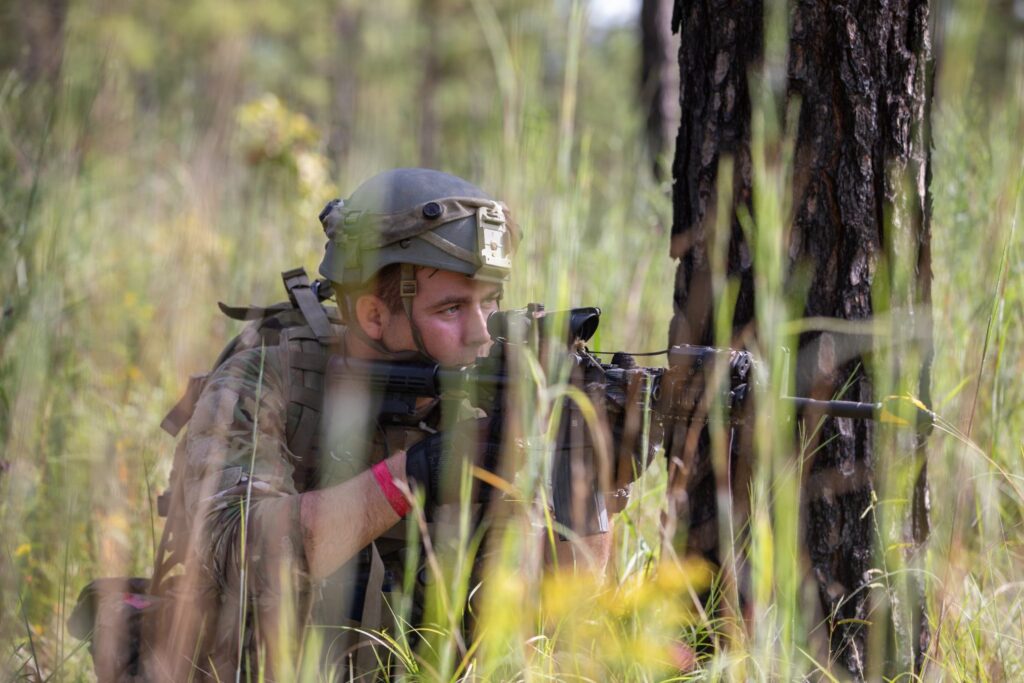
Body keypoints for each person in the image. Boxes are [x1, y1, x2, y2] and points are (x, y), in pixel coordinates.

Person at [143, 168, 539, 681]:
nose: (481, 335)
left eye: (489, 303)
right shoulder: (269, 379)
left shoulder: (487, 396)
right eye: (452, 308)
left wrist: (594, 482)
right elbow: (237, 552)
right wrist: (415, 473)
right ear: (373, 315)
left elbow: (558, 618)